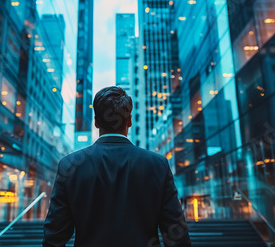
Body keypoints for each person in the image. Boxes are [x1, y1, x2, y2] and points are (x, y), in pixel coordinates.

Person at [43, 86, 191, 247]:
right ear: (129, 121)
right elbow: (177, 237)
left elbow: (53, 238)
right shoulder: (158, 165)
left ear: (96, 122)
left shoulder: (69, 165)